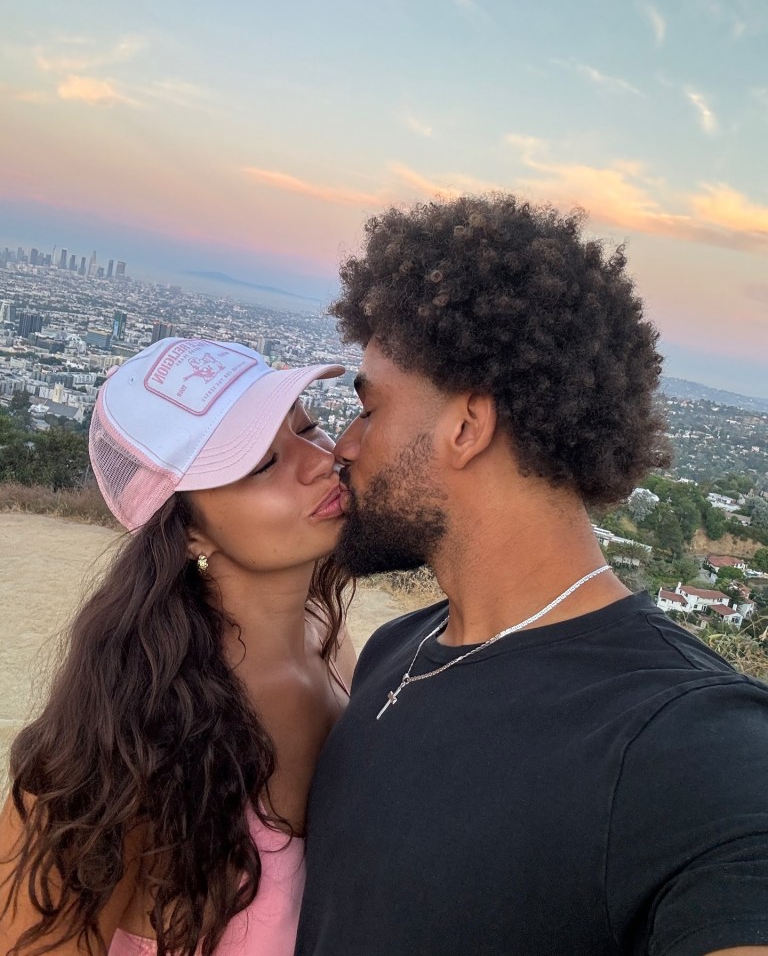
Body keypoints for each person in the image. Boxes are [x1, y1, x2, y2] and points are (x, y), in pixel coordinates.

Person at [295, 194, 768, 956]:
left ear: (468, 426)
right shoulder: (397, 651)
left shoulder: (684, 739)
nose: (342, 446)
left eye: (369, 410)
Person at [0, 337, 356, 956]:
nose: (321, 460)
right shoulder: (132, 738)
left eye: (311, 426)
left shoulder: (331, 640)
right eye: (263, 464)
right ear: (188, 528)